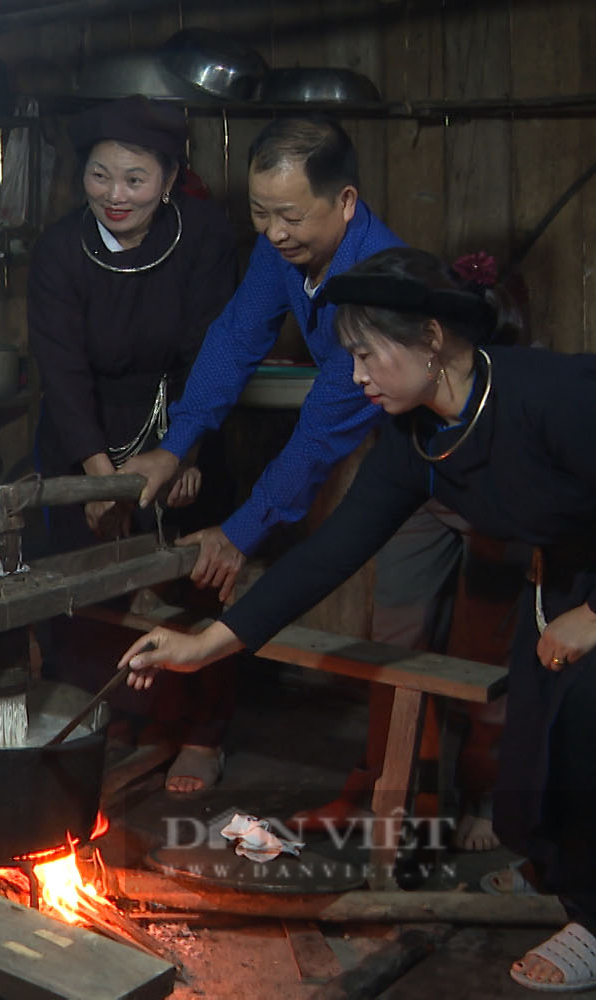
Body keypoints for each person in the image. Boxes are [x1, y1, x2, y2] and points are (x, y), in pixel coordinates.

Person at [122, 246, 596, 992]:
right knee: (538, 703)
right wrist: (204, 646)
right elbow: (330, 555)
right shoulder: (412, 439)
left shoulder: (554, 392)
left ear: (431, 341)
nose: (354, 376)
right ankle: (554, 866)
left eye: (365, 355)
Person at [113, 114, 402, 795]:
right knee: (403, 612)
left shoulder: (373, 272)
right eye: (259, 212)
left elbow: (326, 423)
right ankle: (391, 781)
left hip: (433, 445)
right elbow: (237, 336)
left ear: (345, 203)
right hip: (381, 445)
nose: (273, 232)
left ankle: (445, 791)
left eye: (290, 216)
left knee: (442, 626)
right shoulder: (279, 253)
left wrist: (240, 531)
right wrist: (174, 448)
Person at [27, 94, 241, 796]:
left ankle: (199, 732)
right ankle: (111, 714)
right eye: (99, 176)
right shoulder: (61, 248)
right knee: (84, 584)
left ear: (170, 180)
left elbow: (213, 351)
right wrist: (98, 481)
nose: (114, 196)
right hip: (81, 429)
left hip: (181, 418)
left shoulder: (205, 235)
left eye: (134, 179)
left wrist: (187, 451)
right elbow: (58, 367)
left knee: (194, 580)